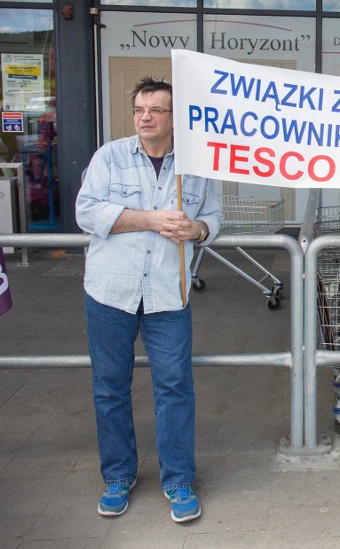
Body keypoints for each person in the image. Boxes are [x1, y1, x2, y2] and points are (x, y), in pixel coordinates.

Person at [76, 77, 222, 523]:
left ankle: (178, 481)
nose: (145, 117)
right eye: (140, 108)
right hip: (110, 294)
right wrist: (150, 220)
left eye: (156, 110)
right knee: (109, 388)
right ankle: (118, 476)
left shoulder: (195, 166)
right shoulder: (110, 157)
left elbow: (214, 217)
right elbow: (87, 211)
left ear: (175, 118)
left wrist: (197, 230)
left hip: (167, 295)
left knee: (176, 390)